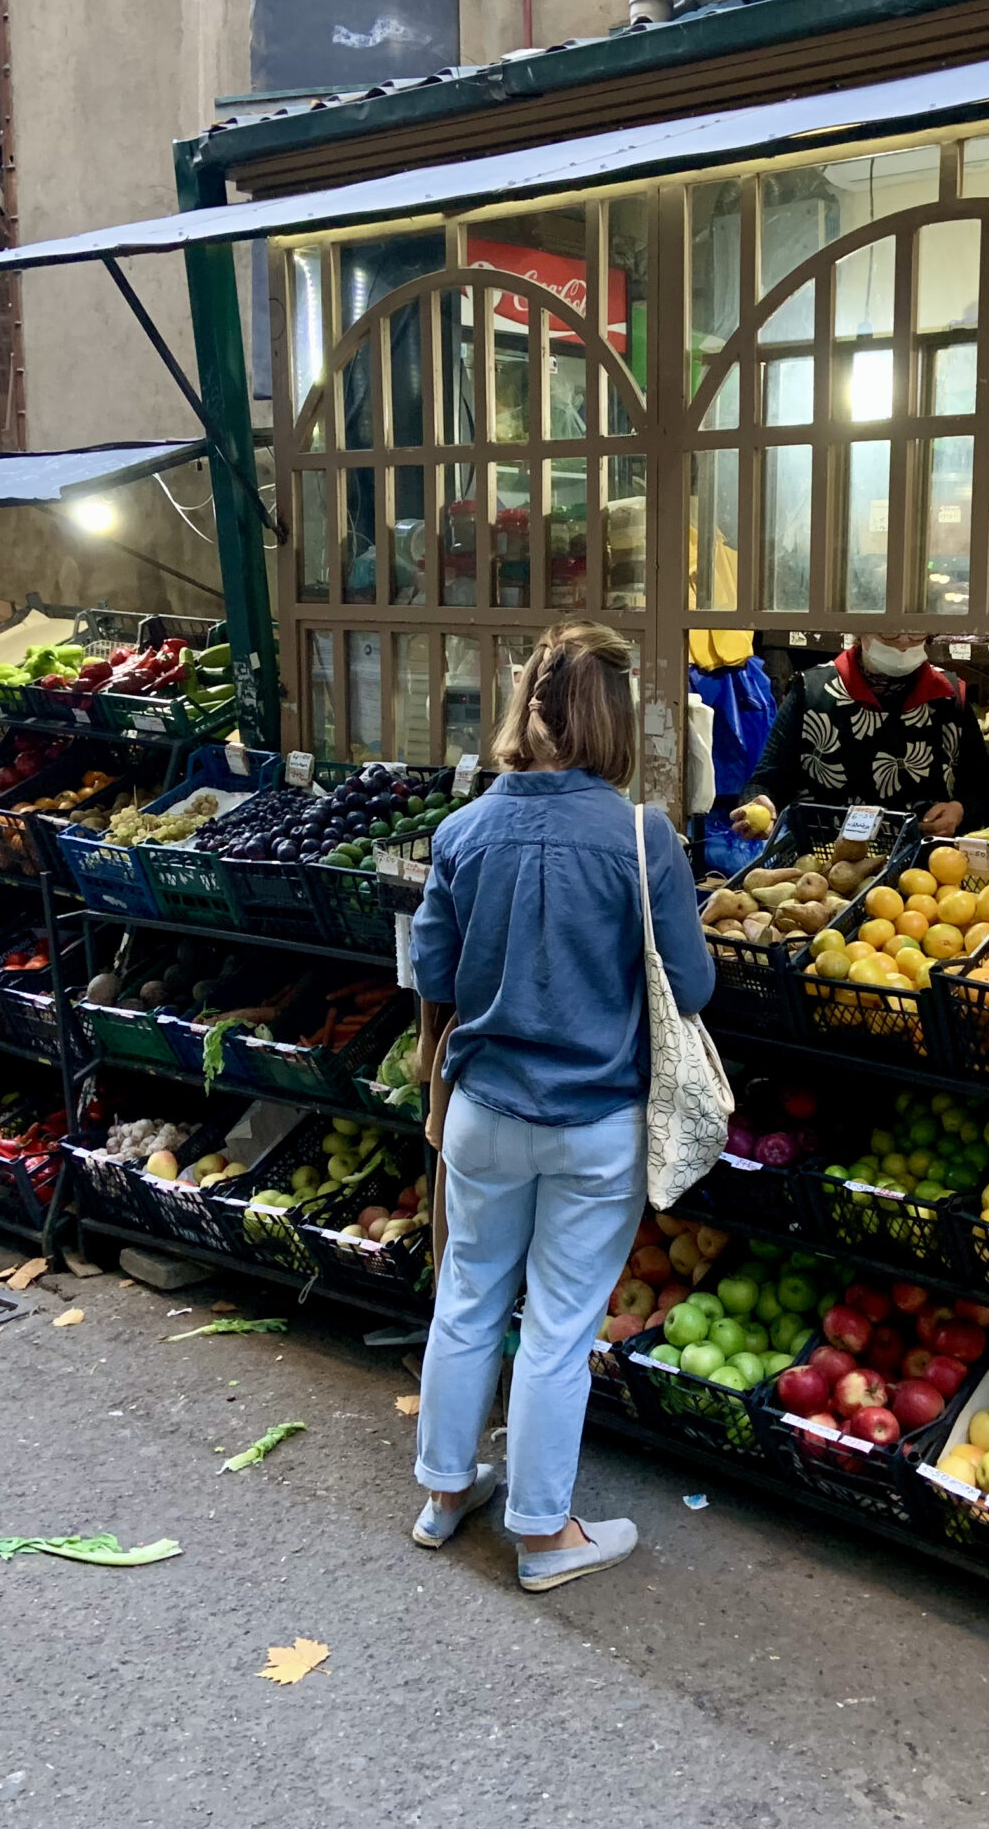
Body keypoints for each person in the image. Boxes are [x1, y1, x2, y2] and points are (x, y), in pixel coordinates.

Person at [406, 618, 718, 1590]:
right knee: (557, 1329)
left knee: (466, 1295)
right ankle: (543, 1535)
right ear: (616, 722)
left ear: (524, 709)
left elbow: (433, 971)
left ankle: (444, 1491)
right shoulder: (641, 838)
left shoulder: (461, 831)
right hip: (593, 1125)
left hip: (483, 1110)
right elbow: (693, 987)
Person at [730, 631, 989, 839]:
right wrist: (758, 803)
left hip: (925, 879)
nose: (903, 643)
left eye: (916, 632)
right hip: (822, 871)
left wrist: (959, 810)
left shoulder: (949, 697)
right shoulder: (812, 691)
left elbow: (987, 792)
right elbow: (765, 781)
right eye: (889, 632)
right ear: (860, 629)